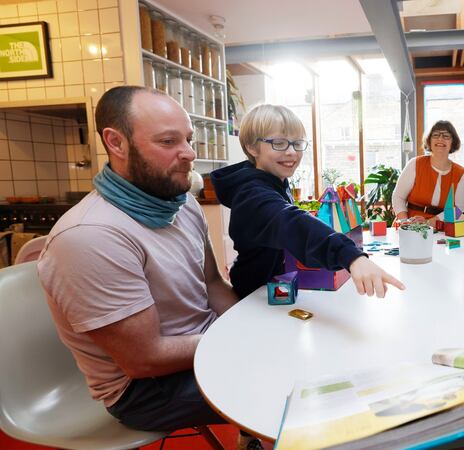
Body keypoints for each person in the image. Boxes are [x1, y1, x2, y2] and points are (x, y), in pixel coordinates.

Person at [37, 86, 263, 449]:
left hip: (201, 348)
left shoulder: (180, 204)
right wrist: (242, 341)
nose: (189, 153)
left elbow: (211, 283)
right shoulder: (91, 236)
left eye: (188, 139)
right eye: (168, 141)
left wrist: (257, 327)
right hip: (144, 390)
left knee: (295, 349)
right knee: (289, 382)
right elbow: (145, 359)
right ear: (116, 143)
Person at [211, 104, 404, 300]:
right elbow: (291, 222)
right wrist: (350, 256)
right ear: (252, 147)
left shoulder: (274, 181)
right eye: (279, 143)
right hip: (254, 299)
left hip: (278, 291)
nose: (291, 152)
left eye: (297, 143)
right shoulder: (252, 194)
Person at [392, 120, 464, 224]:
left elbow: (458, 209)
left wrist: (430, 222)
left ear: (453, 142)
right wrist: (404, 221)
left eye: (446, 136)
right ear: (429, 141)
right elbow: (398, 197)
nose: (440, 139)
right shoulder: (415, 164)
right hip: (409, 224)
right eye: (435, 135)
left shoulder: (462, 173)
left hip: (441, 227)